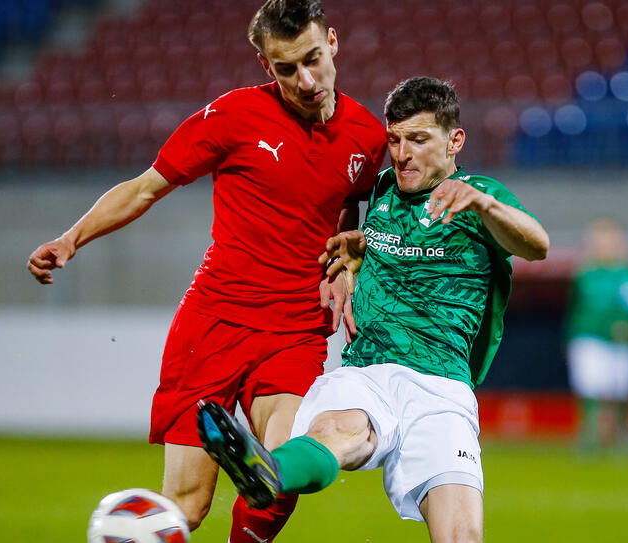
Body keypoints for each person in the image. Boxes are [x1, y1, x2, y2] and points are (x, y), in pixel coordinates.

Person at [25, 1, 387, 540]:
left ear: (333, 42)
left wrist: (352, 252)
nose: (306, 79)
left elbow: (352, 210)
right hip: (214, 323)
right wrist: (71, 238)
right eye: (286, 68)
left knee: (278, 477)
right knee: (187, 508)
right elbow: (146, 186)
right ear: (267, 66)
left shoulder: (367, 137)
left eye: (313, 58)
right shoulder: (234, 116)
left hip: (294, 328)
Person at [197, 77, 549, 542]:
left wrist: (484, 205)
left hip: (439, 384)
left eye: (419, 140)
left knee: (462, 534)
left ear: (454, 140)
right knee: (341, 431)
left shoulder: (479, 195)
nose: (402, 154)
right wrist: (355, 246)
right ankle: (269, 472)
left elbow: (536, 245)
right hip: (368, 370)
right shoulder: (384, 187)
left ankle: (273, 471)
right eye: (395, 139)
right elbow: (380, 236)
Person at [564, 218, 628, 452]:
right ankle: (590, 434)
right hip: (589, 337)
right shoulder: (585, 272)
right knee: (590, 387)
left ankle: (622, 432)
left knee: (623, 388)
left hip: (622, 342)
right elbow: (575, 308)